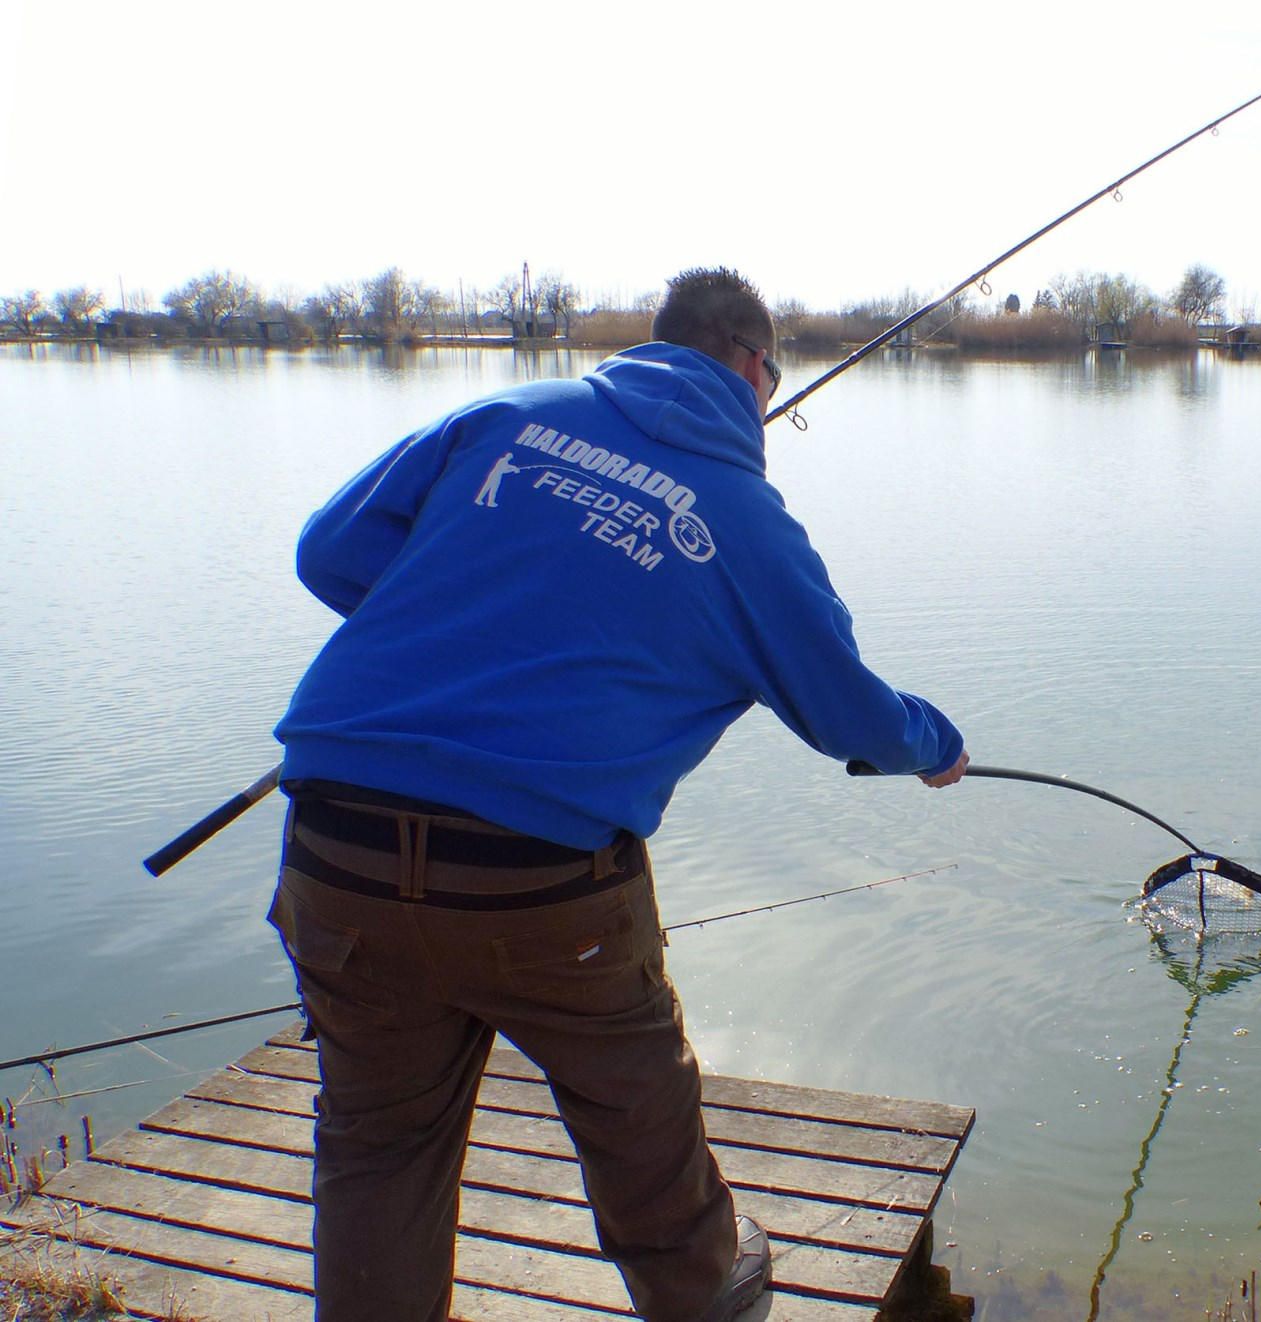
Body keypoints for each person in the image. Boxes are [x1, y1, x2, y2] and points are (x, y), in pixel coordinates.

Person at [269, 267, 968, 1322]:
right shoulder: (745, 520)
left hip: (335, 844)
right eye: (774, 375)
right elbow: (851, 717)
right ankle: (707, 1288)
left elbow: (329, 552)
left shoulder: (509, 412)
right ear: (747, 362)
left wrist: (482, 619)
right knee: (638, 1109)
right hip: (541, 888)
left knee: (378, 1144)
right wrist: (935, 743)